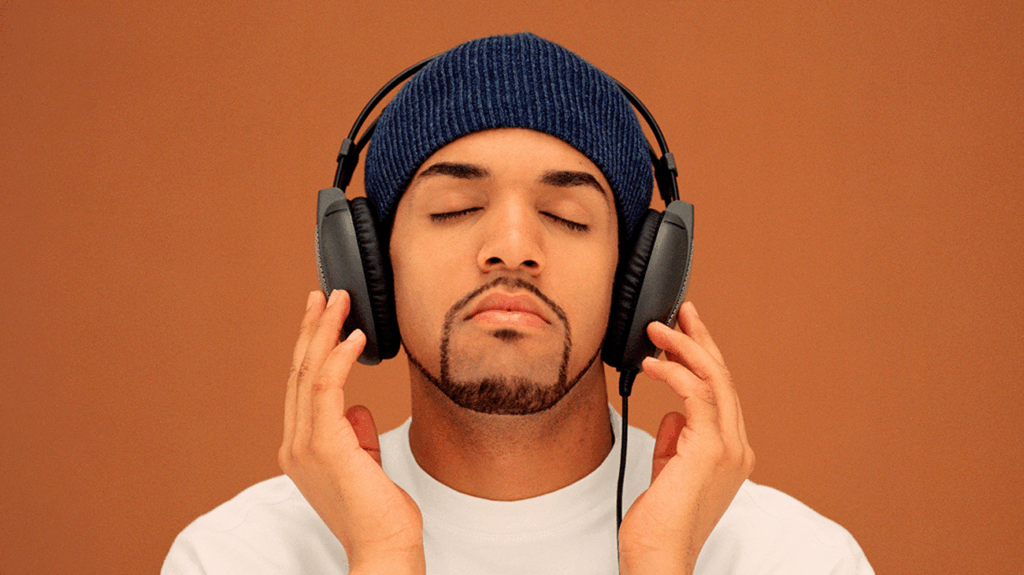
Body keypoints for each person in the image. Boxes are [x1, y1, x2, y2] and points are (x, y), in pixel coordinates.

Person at [162, 33, 873, 575]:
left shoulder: (796, 558)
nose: (511, 246)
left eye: (566, 215)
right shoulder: (235, 557)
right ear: (369, 265)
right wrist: (383, 552)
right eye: (455, 207)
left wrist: (659, 561)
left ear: (640, 279)